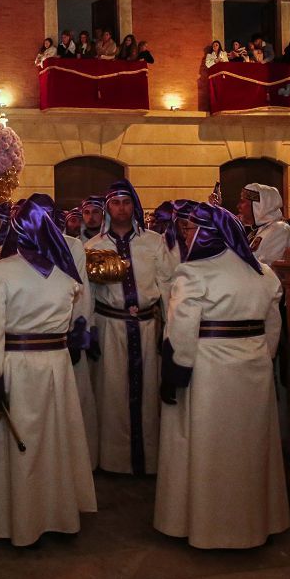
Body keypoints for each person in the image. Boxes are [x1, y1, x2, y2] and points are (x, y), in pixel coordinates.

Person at [154, 202, 290, 548]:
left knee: (206, 446)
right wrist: (259, 356)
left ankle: (208, 526)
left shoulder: (192, 274)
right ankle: (254, 522)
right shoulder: (263, 273)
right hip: (255, 369)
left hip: (209, 371)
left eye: (189, 229)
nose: (185, 235)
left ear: (204, 234)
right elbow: (273, 328)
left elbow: (181, 330)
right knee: (249, 445)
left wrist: (174, 375)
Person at [0, 199, 97, 546]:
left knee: (21, 444)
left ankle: (19, 521)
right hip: (57, 365)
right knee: (56, 440)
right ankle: (59, 515)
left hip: (16, 366)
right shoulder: (66, 277)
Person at [85, 180, 174, 475]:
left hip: (147, 328)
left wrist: (170, 329)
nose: (121, 208)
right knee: (110, 393)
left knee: (148, 393)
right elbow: (87, 295)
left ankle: (149, 460)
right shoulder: (94, 247)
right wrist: (90, 329)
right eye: (115, 203)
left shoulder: (154, 242)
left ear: (134, 205)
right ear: (107, 208)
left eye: (126, 202)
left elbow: (168, 285)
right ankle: (113, 460)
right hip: (111, 328)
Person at [22, 195, 99, 469]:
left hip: (66, 332)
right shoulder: (22, 246)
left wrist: (80, 329)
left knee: (72, 399)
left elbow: (82, 289)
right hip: (33, 335)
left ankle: (76, 461)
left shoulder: (72, 245)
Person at [237, 183, 290, 265]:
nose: (238, 206)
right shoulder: (259, 231)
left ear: (259, 206)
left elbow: (267, 269)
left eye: (242, 202)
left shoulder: (281, 231)